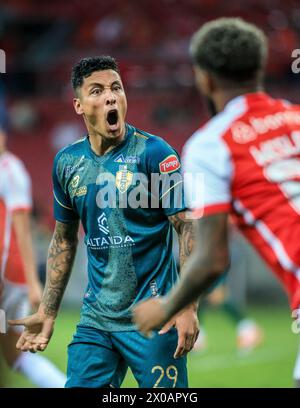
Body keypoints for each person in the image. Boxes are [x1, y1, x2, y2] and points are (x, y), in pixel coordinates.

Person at [9, 56, 199, 388]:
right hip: (96, 322)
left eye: (116, 88)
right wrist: (49, 311)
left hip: (154, 320)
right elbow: (65, 239)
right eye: (97, 90)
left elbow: (186, 227)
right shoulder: (67, 162)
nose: (111, 96)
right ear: (79, 106)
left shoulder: (156, 154)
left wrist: (186, 306)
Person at [132, 18, 300, 387]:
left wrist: (166, 306)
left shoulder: (211, 144)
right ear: (259, 69)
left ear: (204, 79)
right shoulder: (296, 118)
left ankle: (243, 327)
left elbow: (211, 258)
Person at [0, 126, 66, 387]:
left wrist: (32, 282)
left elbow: (22, 226)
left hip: (6, 274)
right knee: (12, 352)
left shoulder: (9, 169)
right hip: (12, 277)